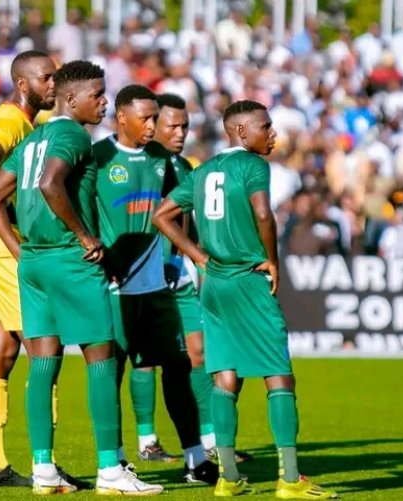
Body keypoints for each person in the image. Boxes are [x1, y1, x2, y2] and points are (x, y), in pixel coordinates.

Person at [0, 60, 163, 496]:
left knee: (43, 363)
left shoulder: (34, 138)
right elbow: (51, 184)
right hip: (69, 258)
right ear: (70, 99)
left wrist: (19, 251)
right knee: (101, 359)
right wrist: (85, 236)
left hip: (35, 263)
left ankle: (43, 470)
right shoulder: (73, 135)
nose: (104, 102)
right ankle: (110, 470)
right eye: (97, 95)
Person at [153, 100, 338, 499]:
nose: (273, 134)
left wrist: (198, 256)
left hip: (215, 284)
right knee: (279, 374)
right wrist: (272, 260)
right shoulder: (253, 166)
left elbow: (161, 215)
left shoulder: (203, 171)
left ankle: (228, 477)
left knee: (225, 376)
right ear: (240, 131)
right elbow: (264, 215)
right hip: (248, 278)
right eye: (265, 127)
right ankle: (290, 478)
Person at [93, 84, 218, 484]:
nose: (152, 126)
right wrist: (95, 252)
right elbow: (75, 208)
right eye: (145, 118)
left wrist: (187, 255)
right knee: (111, 372)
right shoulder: (98, 156)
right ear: (122, 118)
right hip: (114, 289)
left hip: (156, 286)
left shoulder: (162, 159)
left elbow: (178, 210)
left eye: (154, 118)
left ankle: (195, 458)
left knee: (178, 366)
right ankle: (114, 460)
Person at [0, 50, 77, 488]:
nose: (54, 85)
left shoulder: (30, 125)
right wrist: (12, 215)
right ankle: (44, 463)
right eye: (46, 77)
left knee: (1, 354)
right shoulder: (11, 118)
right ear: (22, 84)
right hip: (5, 247)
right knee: (44, 347)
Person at [151, 92, 252, 463]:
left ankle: (209, 439)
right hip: (143, 273)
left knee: (198, 353)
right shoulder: (142, 163)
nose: (180, 133)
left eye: (185, 126)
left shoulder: (186, 166)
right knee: (142, 359)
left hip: (180, 269)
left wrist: (197, 257)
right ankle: (144, 440)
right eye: (172, 126)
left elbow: (187, 219)